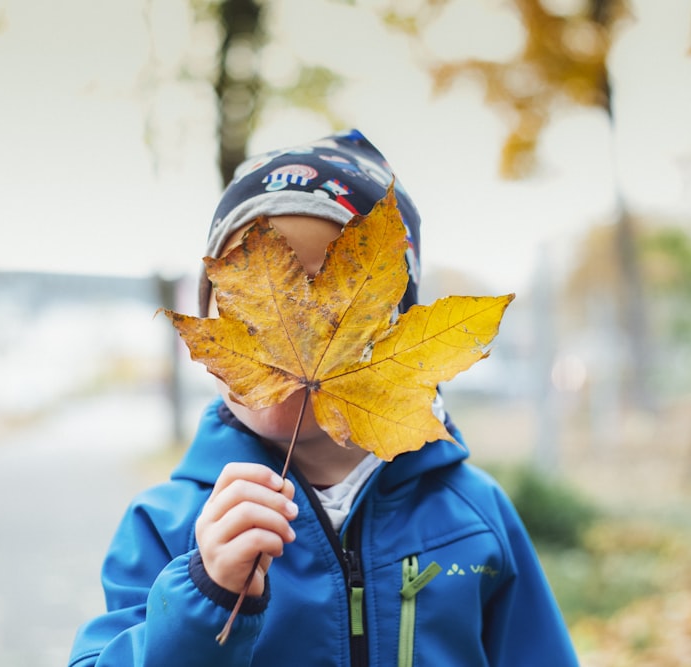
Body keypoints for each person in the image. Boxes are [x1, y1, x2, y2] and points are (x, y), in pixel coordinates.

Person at [68, 129, 580, 666]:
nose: (282, 331)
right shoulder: (168, 525)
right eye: (244, 301)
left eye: (322, 299)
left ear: (396, 331)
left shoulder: (472, 514)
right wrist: (205, 598)